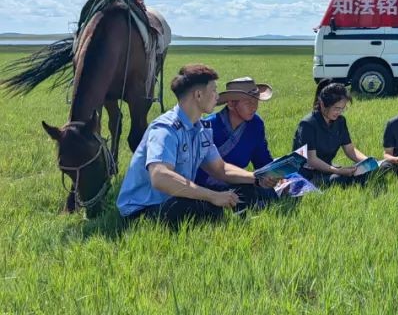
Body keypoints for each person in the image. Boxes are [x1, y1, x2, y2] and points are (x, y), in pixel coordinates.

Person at [116, 64, 276, 225]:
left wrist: (256, 178)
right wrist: (213, 196)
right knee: (200, 207)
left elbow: (221, 169)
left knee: (238, 192)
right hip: (143, 210)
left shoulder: (201, 130)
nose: (217, 97)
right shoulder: (165, 129)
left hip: (175, 199)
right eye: (213, 91)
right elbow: (160, 177)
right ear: (198, 95)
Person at [195, 77, 276, 199]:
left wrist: (274, 174)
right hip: (206, 186)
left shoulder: (256, 124)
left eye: (256, 101)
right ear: (231, 104)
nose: (254, 107)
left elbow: (262, 159)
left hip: (240, 180)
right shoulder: (208, 127)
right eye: (248, 102)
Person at [293, 80, 378, 186]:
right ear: (323, 104)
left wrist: (370, 162)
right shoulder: (308, 124)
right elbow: (312, 160)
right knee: (340, 178)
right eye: (336, 108)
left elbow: (350, 150)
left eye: (342, 109)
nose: (339, 112)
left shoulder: (340, 121)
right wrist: (338, 171)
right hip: (308, 173)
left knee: (365, 173)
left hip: (328, 168)